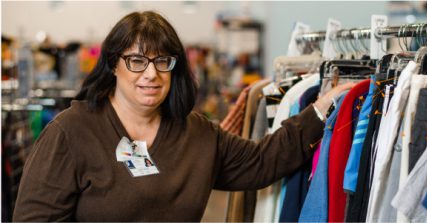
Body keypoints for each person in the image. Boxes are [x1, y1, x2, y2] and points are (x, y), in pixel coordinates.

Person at [13, 11, 353, 221]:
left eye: (163, 61)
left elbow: (263, 161)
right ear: (113, 65)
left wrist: (322, 109)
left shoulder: (197, 134)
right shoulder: (71, 133)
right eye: (137, 61)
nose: (151, 74)